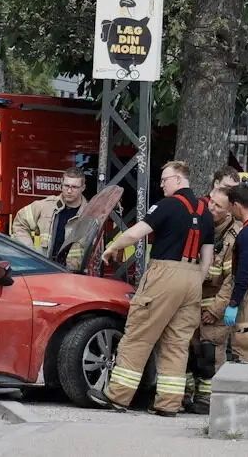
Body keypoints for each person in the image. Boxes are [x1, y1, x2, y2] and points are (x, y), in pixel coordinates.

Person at [89, 161, 214, 416]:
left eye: (164, 179)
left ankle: (117, 396)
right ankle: (169, 404)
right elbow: (208, 256)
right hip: (193, 277)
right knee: (177, 343)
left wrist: (113, 247)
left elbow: (137, 233)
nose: (161, 184)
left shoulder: (167, 205)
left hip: (165, 273)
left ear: (179, 179)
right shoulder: (206, 211)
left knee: (139, 334)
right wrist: (194, 281)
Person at [203, 185, 248, 372]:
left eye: (229, 207)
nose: (229, 212)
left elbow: (244, 272)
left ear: (236, 205)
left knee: (246, 350)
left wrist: (233, 303)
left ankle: (247, 398)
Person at [187, 186, 241, 413]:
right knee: (190, 351)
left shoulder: (234, 236)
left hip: (215, 305)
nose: (211, 207)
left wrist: (218, 309)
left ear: (230, 210)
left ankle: (208, 399)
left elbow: (232, 279)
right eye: (210, 202)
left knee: (211, 353)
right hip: (193, 300)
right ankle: (187, 394)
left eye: (218, 206)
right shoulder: (202, 224)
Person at [10, 166, 87, 266]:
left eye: (74, 187)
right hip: (46, 270)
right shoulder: (46, 206)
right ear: (61, 185)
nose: (69, 191)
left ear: (83, 188)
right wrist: (29, 252)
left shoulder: (89, 213)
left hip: (75, 275)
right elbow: (20, 223)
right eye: (66, 186)